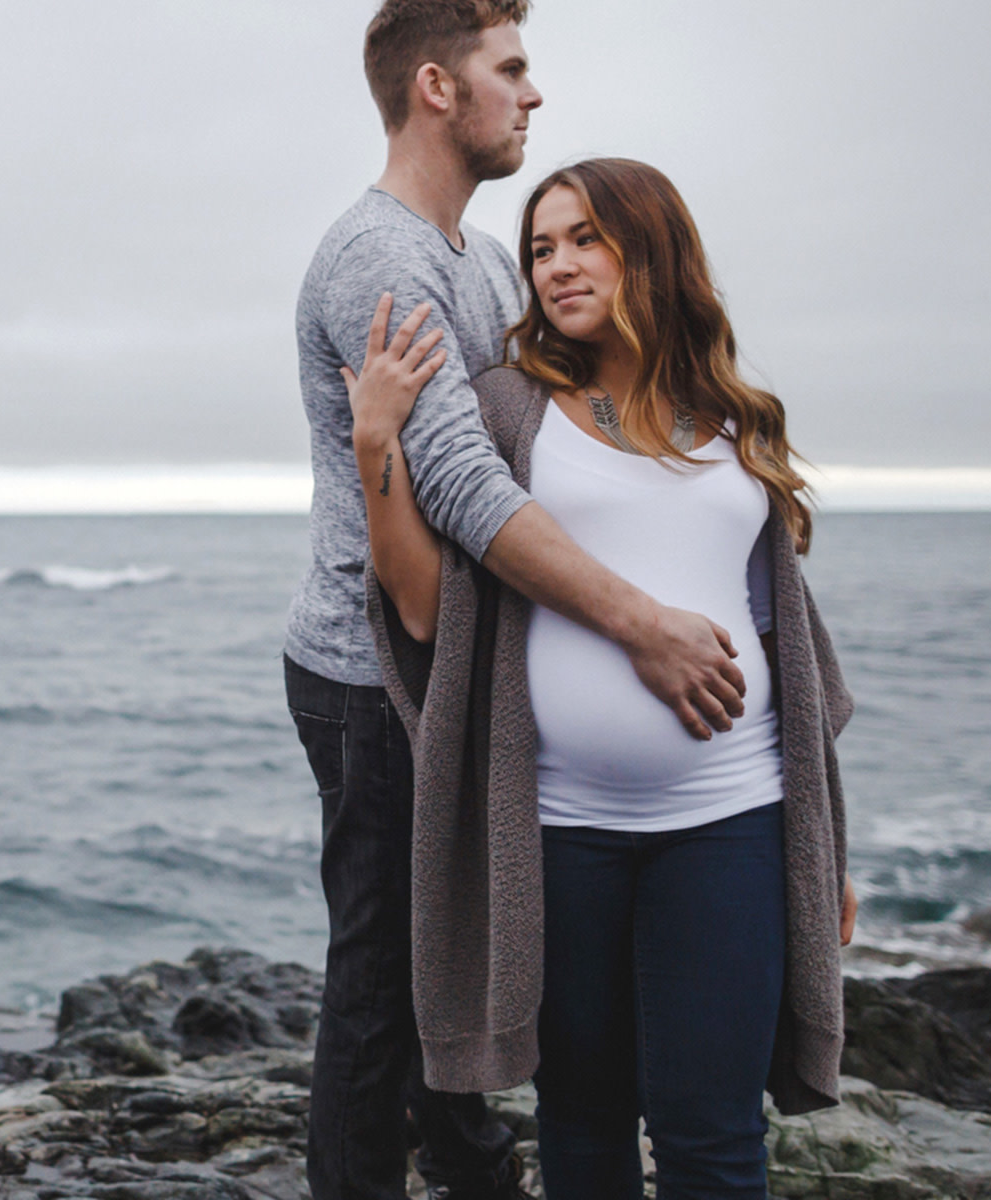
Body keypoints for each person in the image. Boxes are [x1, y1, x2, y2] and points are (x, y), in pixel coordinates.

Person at [286, 4, 756, 1199]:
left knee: (457, 951)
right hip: (374, 666)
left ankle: (475, 1171)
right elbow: (465, 486)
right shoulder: (380, 260)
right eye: (513, 70)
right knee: (387, 973)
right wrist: (643, 626)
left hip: (463, 657)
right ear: (440, 89)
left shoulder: (486, 259)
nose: (532, 96)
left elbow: (559, 432)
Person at [343, 157, 860, 1200]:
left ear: (650, 247)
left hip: (735, 821)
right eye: (540, 248)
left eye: (585, 239)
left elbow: (790, 657)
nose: (558, 266)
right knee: (582, 1134)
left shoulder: (734, 420)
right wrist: (374, 445)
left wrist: (824, 844)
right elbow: (421, 611)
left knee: (712, 1137)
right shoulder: (505, 410)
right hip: (561, 835)